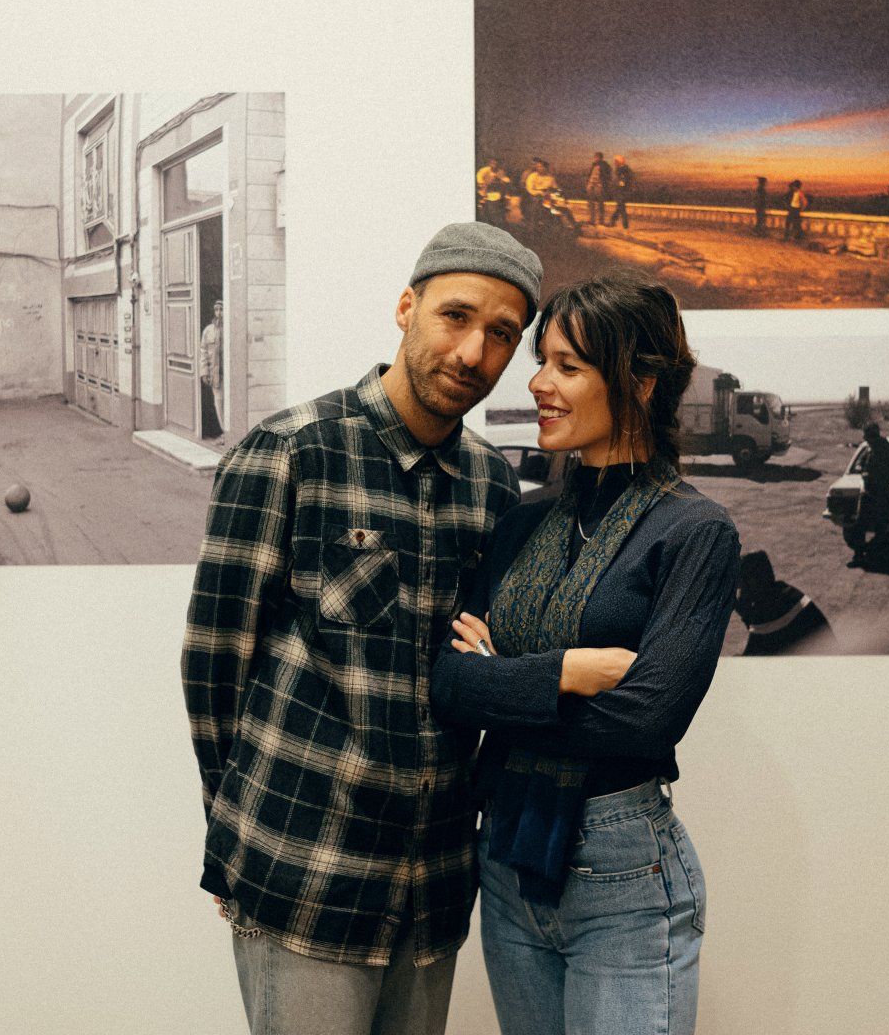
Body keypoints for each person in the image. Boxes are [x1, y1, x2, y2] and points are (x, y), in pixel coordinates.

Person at [182, 222, 543, 1035]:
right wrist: (237, 837)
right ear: (407, 308)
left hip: (434, 886)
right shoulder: (290, 451)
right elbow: (213, 665)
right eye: (456, 317)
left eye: (501, 335)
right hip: (307, 874)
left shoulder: (493, 485)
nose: (473, 353)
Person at [431, 273, 739, 1035]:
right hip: (507, 859)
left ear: (641, 381)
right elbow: (448, 683)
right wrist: (568, 673)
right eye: (542, 362)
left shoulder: (694, 532)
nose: (538, 383)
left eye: (567, 367)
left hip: (623, 871)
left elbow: (645, 722)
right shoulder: (522, 521)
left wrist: (502, 682)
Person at [733, 549, 838, 655]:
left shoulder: (766, 614)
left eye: (742, 584)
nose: (740, 590)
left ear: (752, 583)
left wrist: (746, 615)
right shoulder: (787, 592)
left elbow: (754, 653)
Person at [847, 422, 889, 562]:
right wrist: (862, 470)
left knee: (880, 527)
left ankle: (873, 555)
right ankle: (859, 556)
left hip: (881, 493)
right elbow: (860, 463)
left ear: (872, 435)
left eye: (867, 435)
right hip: (868, 492)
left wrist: (877, 478)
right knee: (860, 525)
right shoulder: (870, 449)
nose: (865, 438)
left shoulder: (886, 450)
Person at [198, 300, 225, 440]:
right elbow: (203, 352)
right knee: (219, 403)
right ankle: (225, 431)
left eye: (221, 309)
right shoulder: (208, 331)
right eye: (216, 309)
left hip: (228, 375)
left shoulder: (230, 328)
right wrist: (204, 372)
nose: (219, 313)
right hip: (215, 375)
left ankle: (231, 433)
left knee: (229, 403)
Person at [583, 152, 610, 225]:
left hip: (599, 186)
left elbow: (607, 176)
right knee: (591, 203)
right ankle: (592, 220)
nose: (595, 158)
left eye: (596, 157)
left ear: (600, 158)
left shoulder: (605, 165)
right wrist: (588, 183)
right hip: (591, 186)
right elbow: (590, 175)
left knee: (600, 203)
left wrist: (603, 184)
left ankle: (601, 221)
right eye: (595, 157)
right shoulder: (593, 165)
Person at [608, 154, 635, 229]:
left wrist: (621, 185)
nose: (614, 163)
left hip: (621, 191)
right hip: (621, 191)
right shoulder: (624, 168)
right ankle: (613, 220)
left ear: (619, 162)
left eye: (616, 161)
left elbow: (623, 180)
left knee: (622, 208)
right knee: (620, 207)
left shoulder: (622, 169)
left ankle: (625, 225)